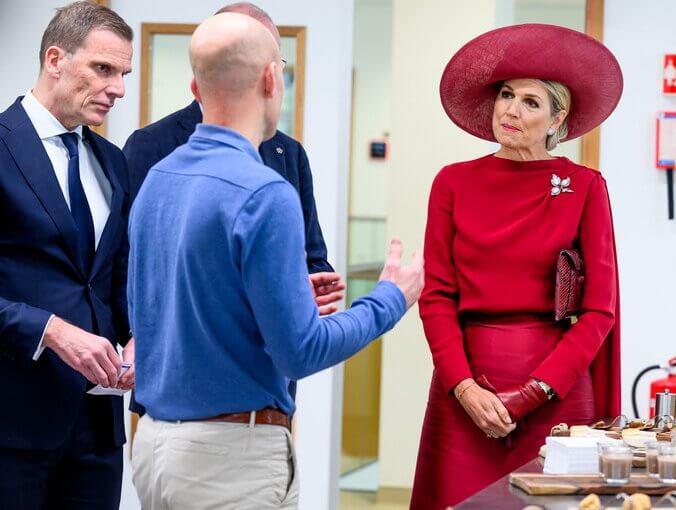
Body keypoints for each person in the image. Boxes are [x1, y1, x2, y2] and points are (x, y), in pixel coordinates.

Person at [128, 13, 423, 510]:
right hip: (229, 462)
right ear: (272, 79)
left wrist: (274, 293)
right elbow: (299, 352)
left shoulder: (159, 176)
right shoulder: (264, 191)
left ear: (197, 85)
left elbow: (164, 306)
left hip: (156, 449)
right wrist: (390, 299)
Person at [410, 24, 624, 509]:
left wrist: (532, 393)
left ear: (557, 118)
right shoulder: (453, 183)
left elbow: (599, 312)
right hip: (465, 389)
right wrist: (464, 388)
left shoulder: (585, 186)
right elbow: (437, 295)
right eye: (506, 94)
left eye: (531, 101)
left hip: (557, 392)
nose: (510, 109)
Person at [122, 2, 342, 417]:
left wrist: (306, 289)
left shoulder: (287, 154)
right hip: (178, 380)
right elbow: (129, 260)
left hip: (267, 390)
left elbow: (312, 257)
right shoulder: (153, 147)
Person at [0, 2, 134, 508]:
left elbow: (116, 277)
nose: (117, 88)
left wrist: (136, 337)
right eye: (103, 69)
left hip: (98, 431)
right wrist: (50, 331)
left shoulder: (112, 162)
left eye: (123, 73)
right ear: (55, 59)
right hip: (12, 428)